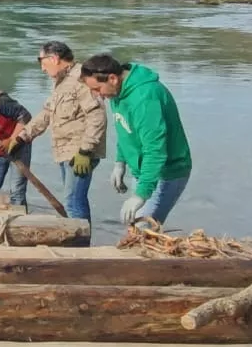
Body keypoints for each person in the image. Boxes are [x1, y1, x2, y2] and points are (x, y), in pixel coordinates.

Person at [78, 54, 192, 227]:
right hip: (142, 169)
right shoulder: (117, 94)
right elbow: (125, 130)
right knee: (134, 227)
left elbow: (156, 151)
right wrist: (120, 162)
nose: (97, 95)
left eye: (97, 89)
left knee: (141, 228)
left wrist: (141, 195)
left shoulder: (144, 98)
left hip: (167, 171)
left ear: (113, 78)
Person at [10, 41, 108, 234]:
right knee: (73, 199)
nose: (42, 69)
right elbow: (47, 113)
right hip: (65, 152)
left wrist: (86, 150)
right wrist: (23, 137)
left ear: (54, 58)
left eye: (42, 62)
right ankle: (78, 241)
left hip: (80, 152)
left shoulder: (82, 78)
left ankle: (81, 247)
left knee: (73, 201)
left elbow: (97, 115)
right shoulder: (61, 82)